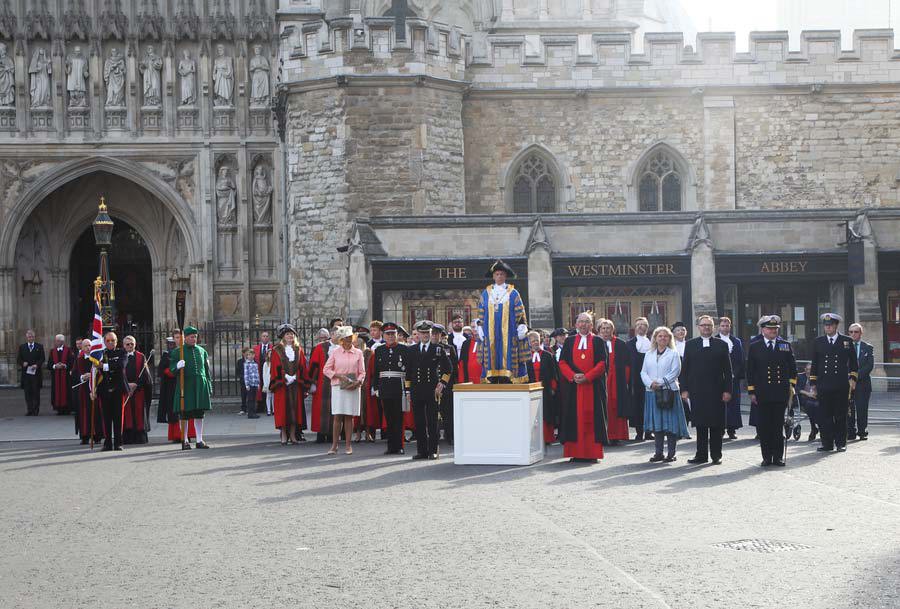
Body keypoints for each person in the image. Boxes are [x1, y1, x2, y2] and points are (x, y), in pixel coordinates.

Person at [679, 316, 732, 465]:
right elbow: (685, 370)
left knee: (716, 424)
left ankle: (716, 455)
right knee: (701, 424)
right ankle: (701, 455)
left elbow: (728, 371)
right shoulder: (690, 345)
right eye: (703, 325)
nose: (706, 328)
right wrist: (684, 389)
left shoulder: (721, 345)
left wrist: (728, 390)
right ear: (698, 327)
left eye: (709, 325)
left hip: (717, 391)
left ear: (713, 327)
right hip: (697, 391)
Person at [746, 315, 797, 466]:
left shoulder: (784, 345)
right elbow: (750, 371)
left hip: (780, 391)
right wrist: (751, 391)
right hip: (762, 392)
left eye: (775, 328)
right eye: (770, 328)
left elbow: (792, 367)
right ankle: (766, 456)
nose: (773, 331)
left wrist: (791, 386)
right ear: (763, 330)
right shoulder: (755, 346)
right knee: (764, 427)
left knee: (777, 426)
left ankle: (778, 456)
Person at [558, 312, 609, 463]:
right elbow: (562, 363)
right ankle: (576, 452)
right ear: (575, 325)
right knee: (573, 419)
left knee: (593, 420)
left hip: (592, 388)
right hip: (573, 388)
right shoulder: (569, 341)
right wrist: (573, 376)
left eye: (587, 322)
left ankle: (592, 453)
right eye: (581, 321)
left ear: (592, 325)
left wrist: (587, 377)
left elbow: (602, 364)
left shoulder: (598, 341)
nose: (583, 324)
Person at [809, 313, 858, 453]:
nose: (827, 327)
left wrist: (853, 379)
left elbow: (854, 363)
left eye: (830, 325)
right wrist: (813, 383)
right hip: (823, 384)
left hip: (841, 384)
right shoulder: (818, 341)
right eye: (826, 325)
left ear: (836, 326)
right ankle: (827, 443)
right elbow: (815, 364)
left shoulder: (846, 340)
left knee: (840, 415)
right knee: (825, 416)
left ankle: (841, 443)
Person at [641, 326, 689, 463]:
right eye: (660, 336)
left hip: (669, 392)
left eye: (665, 336)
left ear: (669, 339)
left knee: (670, 424)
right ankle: (658, 453)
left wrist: (660, 382)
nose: (662, 338)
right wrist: (650, 383)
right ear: (655, 338)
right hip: (652, 392)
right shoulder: (648, 354)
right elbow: (643, 372)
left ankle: (671, 453)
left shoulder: (673, 354)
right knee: (657, 424)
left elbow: (675, 371)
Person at [476, 260, 529, 383]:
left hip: (509, 333)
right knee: (491, 359)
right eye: (497, 274)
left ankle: (509, 378)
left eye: (502, 274)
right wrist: (480, 326)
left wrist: (521, 326)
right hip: (490, 335)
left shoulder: (513, 293)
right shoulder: (486, 293)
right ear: (493, 276)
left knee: (509, 358)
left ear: (506, 276)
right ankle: (491, 377)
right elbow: (481, 312)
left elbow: (520, 313)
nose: (499, 276)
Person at [407, 321, 451, 460]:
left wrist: (442, 383)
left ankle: (433, 450)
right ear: (418, 334)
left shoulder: (437, 349)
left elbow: (448, 368)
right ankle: (422, 451)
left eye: (427, 333)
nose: (425, 335)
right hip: (416, 389)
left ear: (431, 334)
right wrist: (407, 391)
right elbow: (408, 372)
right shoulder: (411, 350)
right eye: (422, 333)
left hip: (432, 390)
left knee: (432, 422)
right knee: (419, 422)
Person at [323, 325, 365, 455]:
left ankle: (348, 445)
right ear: (341, 340)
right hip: (338, 386)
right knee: (337, 416)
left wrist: (359, 381)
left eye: (349, 338)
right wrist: (338, 375)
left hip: (352, 386)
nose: (347, 340)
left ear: (353, 338)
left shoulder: (358, 353)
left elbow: (362, 372)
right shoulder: (335, 352)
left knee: (349, 416)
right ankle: (334, 446)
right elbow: (326, 369)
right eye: (345, 338)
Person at [170, 326, 213, 450]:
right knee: (185, 413)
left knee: (199, 413)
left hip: (200, 384)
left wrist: (209, 385)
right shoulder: (178, 352)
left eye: (195, 336)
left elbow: (206, 370)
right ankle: (185, 440)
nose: (194, 339)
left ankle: (199, 440)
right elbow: (172, 370)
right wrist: (177, 366)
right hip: (186, 385)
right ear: (185, 338)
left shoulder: (202, 351)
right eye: (191, 337)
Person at [372, 322, 409, 455]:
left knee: (399, 418)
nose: (391, 336)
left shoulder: (404, 349)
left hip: (399, 387)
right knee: (389, 419)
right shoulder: (379, 350)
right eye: (388, 334)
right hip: (385, 388)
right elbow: (376, 371)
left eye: (393, 334)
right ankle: (390, 446)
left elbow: (408, 371)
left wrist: (408, 388)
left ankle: (399, 446)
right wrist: (375, 387)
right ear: (383, 335)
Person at [269, 324, 306, 445]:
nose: (290, 336)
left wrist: (296, 376)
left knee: (295, 409)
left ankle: (292, 434)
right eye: (287, 334)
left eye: (292, 334)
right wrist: (285, 377)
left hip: (295, 384)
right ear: (283, 337)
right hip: (282, 386)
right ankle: (284, 434)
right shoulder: (276, 350)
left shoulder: (298, 349)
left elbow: (302, 366)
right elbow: (275, 367)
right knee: (283, 410)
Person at [595, 318, 631, 444]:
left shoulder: (621, 344)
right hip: (601, 379)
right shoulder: (595, 343)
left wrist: (624, 381)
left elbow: (627, 365)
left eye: (608, 328)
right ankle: (603, 436)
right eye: (603, 328)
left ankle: (616, 436)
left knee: (615, 407)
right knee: (602, 407)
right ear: (599, 330)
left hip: (617, 381)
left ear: (612, 330)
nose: (605, 331)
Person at [159, 333, 197, 443]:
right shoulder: (168, 354)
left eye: (180, 337)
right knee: (174, 410)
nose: (179, 339)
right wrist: (173, 371)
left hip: (186, 383)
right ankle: (177, 434)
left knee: (187, 408)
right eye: (176, 337)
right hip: (172, 385)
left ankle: (188, 434)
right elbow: (162, 370)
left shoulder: (188, 350)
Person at [525, 330, 559, 445]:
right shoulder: (525, 357)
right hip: (530, 389)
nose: (535, 343)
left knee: (546, 413)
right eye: (532, 341)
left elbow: (554, 373)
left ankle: (547, 438)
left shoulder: (547, 355)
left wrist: (553, 388)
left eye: (537, 340)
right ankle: (534, 438)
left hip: (545, 389)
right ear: (528, 342)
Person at [97, 332, 128, 451]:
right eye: (108, 340)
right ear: (104, 342)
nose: (110, 343)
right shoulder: (101, 353)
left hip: (118, 389)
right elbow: (96, 369)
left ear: (116, 341)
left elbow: (121, 365)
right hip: (104, 389)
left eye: (113, 340)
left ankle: (118, 442)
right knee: (106, 418)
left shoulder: (122, 352)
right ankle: (107, 443)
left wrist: (104, 366)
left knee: (118, 417)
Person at [715, 316, 745, 440]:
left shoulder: (736, 341)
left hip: (733, 378)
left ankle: (732, 429)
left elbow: (740, 360)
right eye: (722, 325)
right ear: (718, 327)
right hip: (718, 378)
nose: (725, 328)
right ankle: (720, 429)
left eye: (727, 326)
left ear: (730, 327)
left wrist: (734, 374)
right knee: (719, 404)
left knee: (733, 404)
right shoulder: (714, 340)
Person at [121, 335, 152, 445]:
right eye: (127, 344)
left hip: (138, 390)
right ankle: (127, 438)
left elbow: (145, 375)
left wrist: (136, 385)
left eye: (132, 344)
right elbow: (117, 373)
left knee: (139, 413)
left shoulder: (141, 356)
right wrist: (126, 385)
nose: (130, 346)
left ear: (135, 345)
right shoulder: (120, 356)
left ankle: (140, 437)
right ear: (123, 345)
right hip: (124, 390)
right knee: (126, 414)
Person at [626, 317, 653, 441]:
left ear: (647, 328)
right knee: (637, 405)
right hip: (635, 379)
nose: (641, 327)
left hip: (650, 377)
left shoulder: (653, 343)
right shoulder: (629, 343)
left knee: (649, 404)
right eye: (638, 325)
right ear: (635, 328)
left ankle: (649, 431)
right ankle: (639, 432)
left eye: (643, 325)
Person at [73, 338, 103, 445]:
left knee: (96, 412)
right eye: (85, 346)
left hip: (94, 389)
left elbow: (103, 372)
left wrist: (93, 375)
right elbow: (74, 374)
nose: (88, 348)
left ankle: (97, 435)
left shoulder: (96, 360)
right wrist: (82, 376)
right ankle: (85, 436)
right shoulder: (79, 359)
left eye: (89, 345)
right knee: (84, 412)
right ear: (82, 347)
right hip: (83, 391)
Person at [307, 327, 335, 443]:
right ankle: (320, 434)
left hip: (335, 383)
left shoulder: (340, 347)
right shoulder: (319, 348)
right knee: (320, 409)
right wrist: (312, 383)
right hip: (321, 383)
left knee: (334, 409)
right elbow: (313, 366)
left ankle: (331, 434)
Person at [847, 323, 874, 441]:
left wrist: (855, 377)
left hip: (863, 384)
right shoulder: (845, 346)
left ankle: (862, 431)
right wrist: (849, 378)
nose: (853, 334)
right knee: (849, 409)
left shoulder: (868, 347)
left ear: (861, 333)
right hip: (847, 384)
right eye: (851, 332)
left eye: (856, 332)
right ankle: (850, 432)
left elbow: (869, 366)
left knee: (862, 409)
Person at [434, 324, 458, 445]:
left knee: (448, 413)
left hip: (446, 385)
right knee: (433, 412)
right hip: (432, 385)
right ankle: (434, 435)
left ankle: (450, 435)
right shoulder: (428, 348)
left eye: (437, 334)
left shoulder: (449, 348)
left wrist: (447, 383)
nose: (434, 336)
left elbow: (453, 369)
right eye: (432, 334)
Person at [46, 334, 76, 415]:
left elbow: (72, 363)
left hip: (66, 377)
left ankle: (67, 408)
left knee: (66, 391)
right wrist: (55, 366)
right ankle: (58, 408)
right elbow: (49, 364)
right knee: (56, 391)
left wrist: (64, 365)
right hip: (56, 376)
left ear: (62, 341)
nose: (56, 342)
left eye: (58, 340)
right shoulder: (52, 351)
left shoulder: (69, 350)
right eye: (56, 340)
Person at [17, 330, 45, 416]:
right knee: (27, 393)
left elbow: (42, 358)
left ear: (34, 337)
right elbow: (18, 359)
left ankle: (36, 410)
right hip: (26, 374)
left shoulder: (39, 346)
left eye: (32, 336)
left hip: (36, 374)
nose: (30, 338)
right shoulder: (22, 347)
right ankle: (30, 410)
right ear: (27, 337)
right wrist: (22, 363)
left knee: (36, 392)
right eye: (29, 337)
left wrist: (37, 365)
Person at [796, 363, 819, 442]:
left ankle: (815, 428)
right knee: (810, 405)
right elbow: (797, 389)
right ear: (805, 370)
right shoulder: (800, 377)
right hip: (805, 398)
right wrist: (808, 394)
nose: (809, 371)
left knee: (817, 406)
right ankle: (814, 428)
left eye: (811, 369)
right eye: (808, 369)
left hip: (816, 398)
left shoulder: (816, 377)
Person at [253, 331, 274, 416]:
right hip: (259, 371)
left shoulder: (273, 348)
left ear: (269, 338)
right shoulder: (256, 348)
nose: (265, 338)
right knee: (260, 389)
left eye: (266, 336)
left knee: (269, 389)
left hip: (269, 371)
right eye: (263, 336)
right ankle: (261, 406)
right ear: (261, 338)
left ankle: (270, 408)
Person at [240, 348, 261, 419]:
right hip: (250, 384)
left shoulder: (255, 364)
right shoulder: (246, 364)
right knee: (250, 399)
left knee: (254, 399)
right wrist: (247, 385)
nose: (251, 356)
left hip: (255, 383)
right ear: (247, 356)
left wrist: (258, 384)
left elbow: (257, 374)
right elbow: (246, 375)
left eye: (252, 355)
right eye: (249, 355)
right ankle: (250, 413)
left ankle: (254, 412)